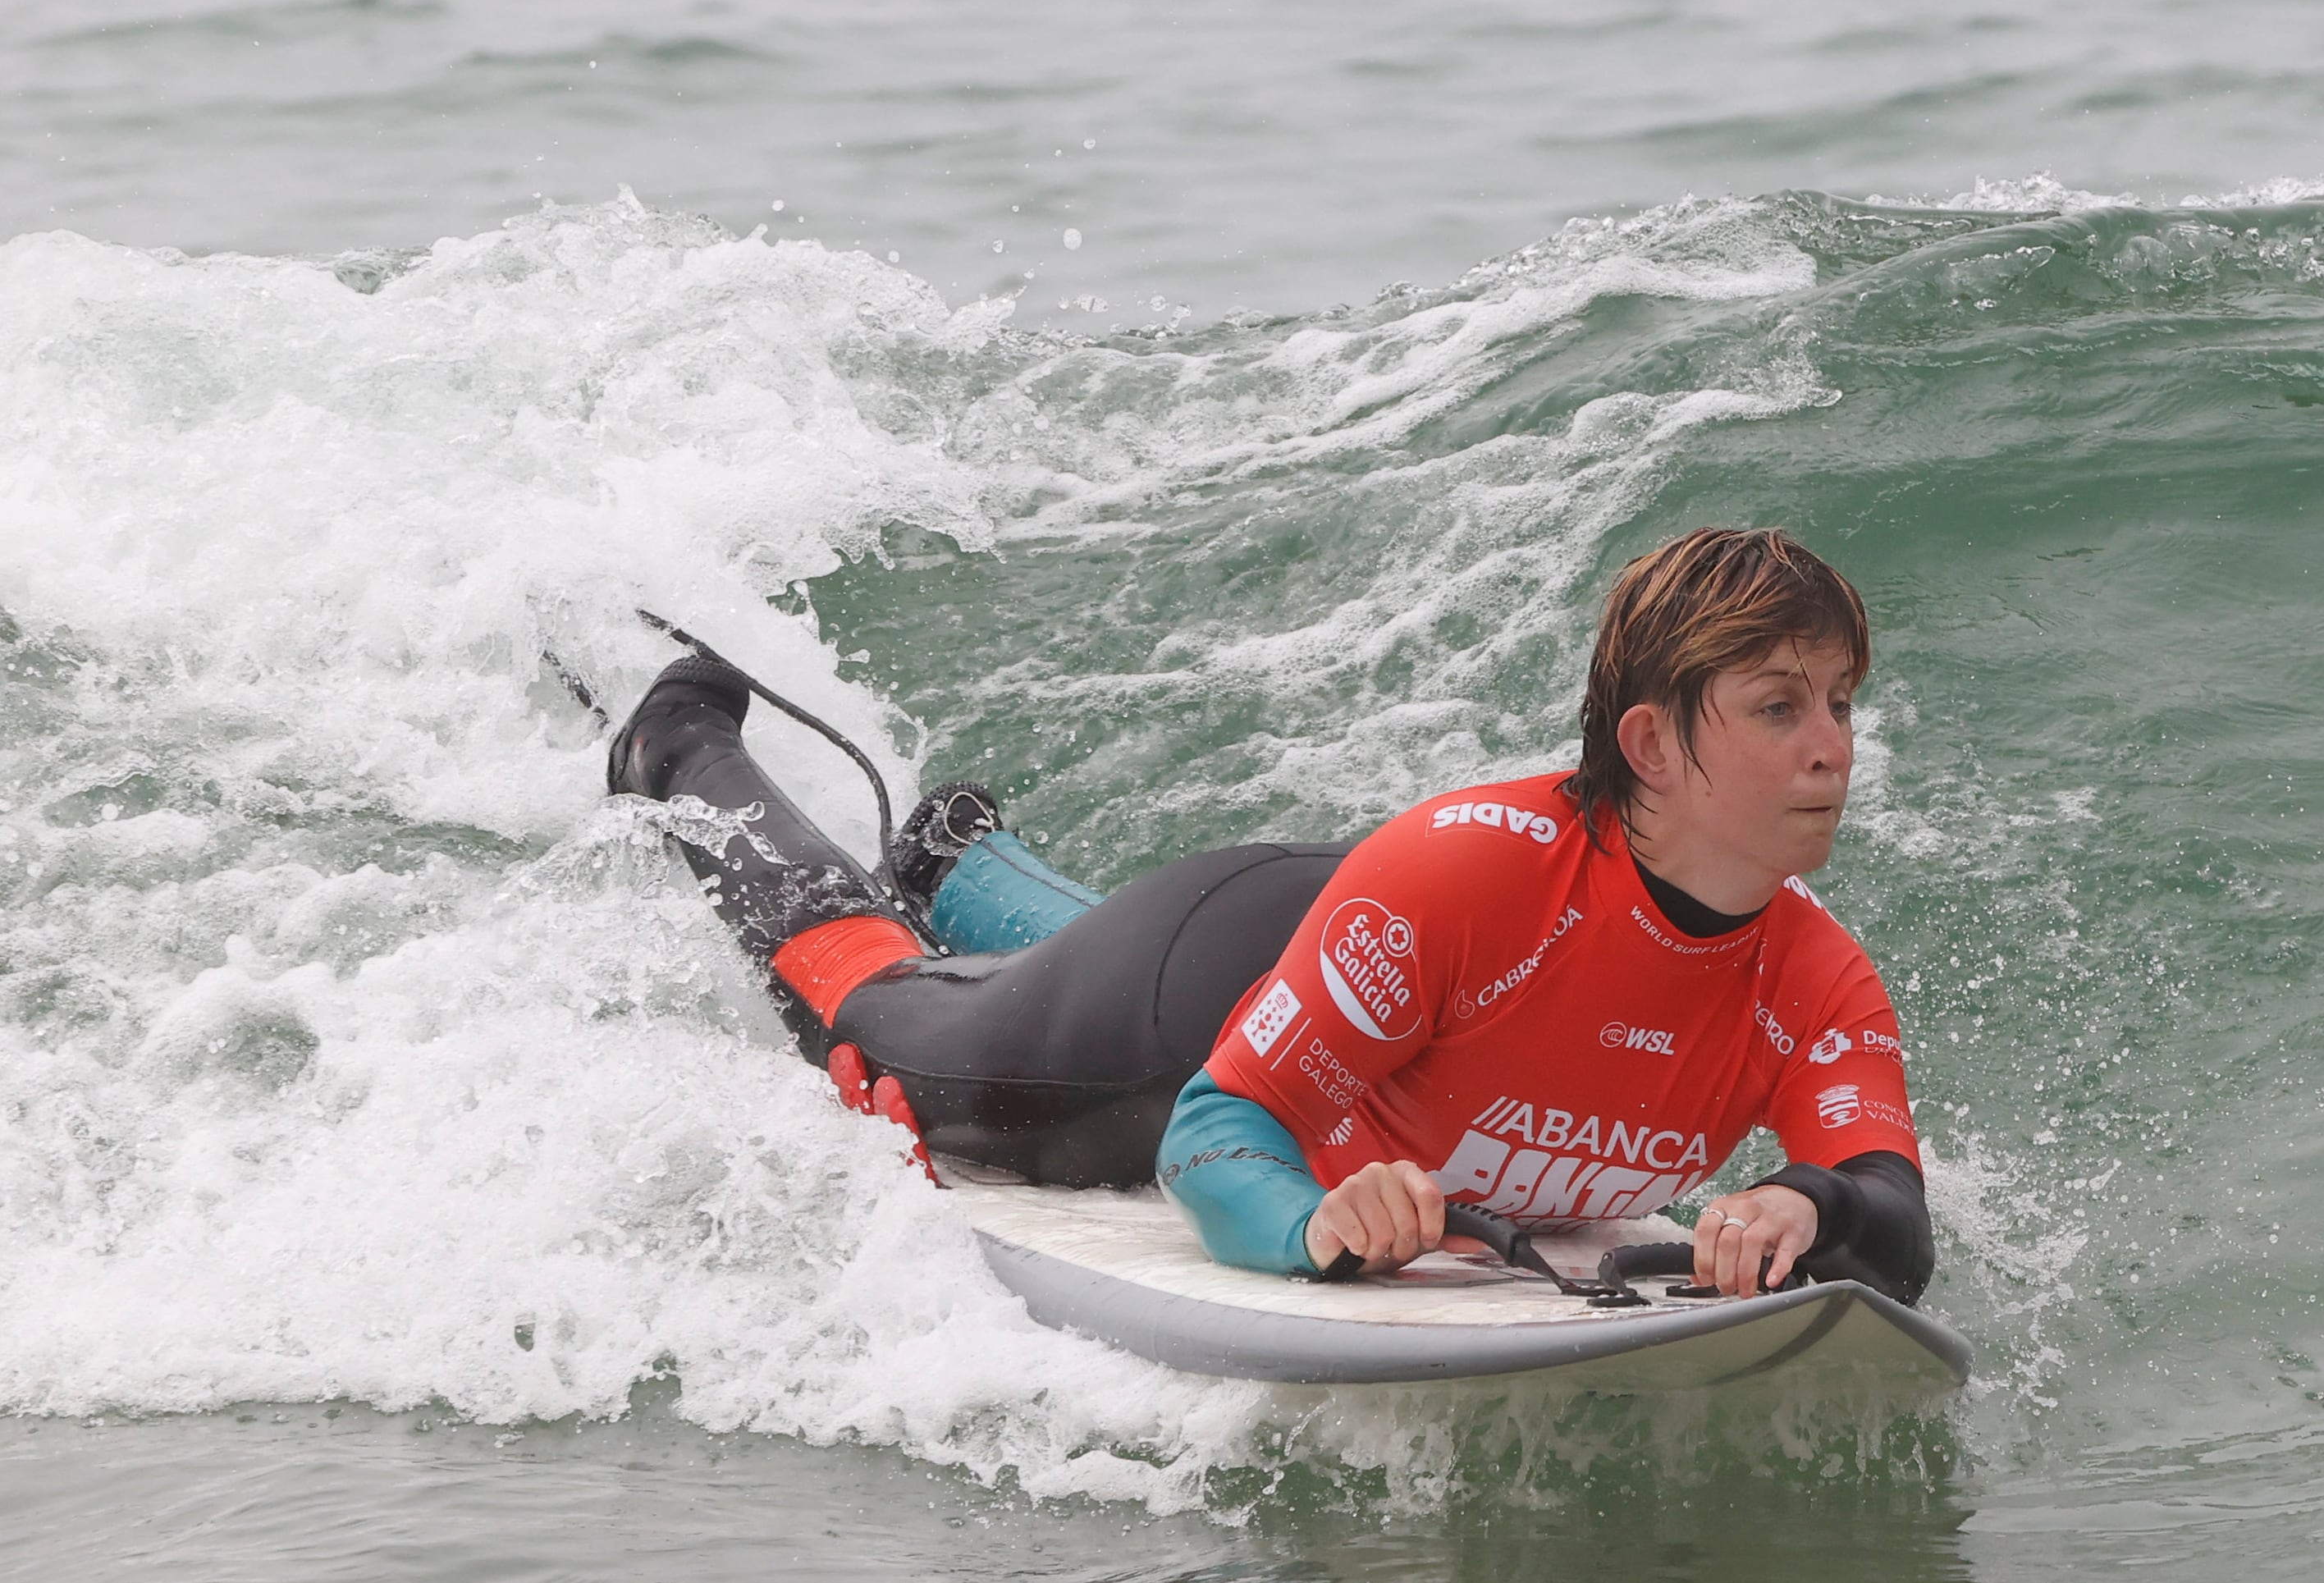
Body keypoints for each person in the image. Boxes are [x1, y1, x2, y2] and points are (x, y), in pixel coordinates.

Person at [605, 527, 1931, 1302]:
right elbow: (1215, 1134)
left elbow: (1892, 1212)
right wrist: (1313, 1223)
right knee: (880, 1026)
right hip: (1190, 1003)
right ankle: (677, 745)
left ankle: (962, 858)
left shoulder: (1815, 978)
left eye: (1841, 704)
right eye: (1779, 707)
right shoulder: (1478, 876)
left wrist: (1805, 1204)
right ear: (1649, 743)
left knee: (1313, 974)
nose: (1833, 747)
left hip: (1367, 957)